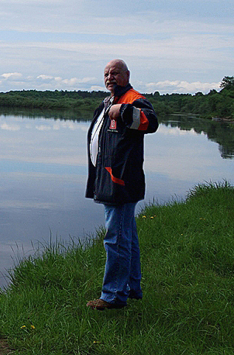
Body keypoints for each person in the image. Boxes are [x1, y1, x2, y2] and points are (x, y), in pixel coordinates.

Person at [85, 59, 158, 310]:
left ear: (127, 75)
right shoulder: (108, 101)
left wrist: (125, 113)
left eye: (115, 73)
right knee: (126, 236)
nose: (109, 77)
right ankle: (132, 287)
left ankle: (114, 295)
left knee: (116, 238)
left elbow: (151, 122)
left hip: (121, 182)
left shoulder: (132, 99)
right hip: (109, 180)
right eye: (106, 74)